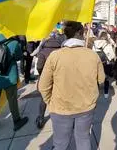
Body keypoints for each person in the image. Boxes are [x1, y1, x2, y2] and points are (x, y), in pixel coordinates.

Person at [38, 21, 105, 150]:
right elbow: (101, 80)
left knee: (60, 143)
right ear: (81, 33)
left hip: (61, 108)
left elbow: (43, 85)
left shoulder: (55, 56)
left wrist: (50, 103)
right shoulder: (92, 55)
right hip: (85, 106)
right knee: (83, 139)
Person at [0, 29, 28, 134]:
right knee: (12, 99)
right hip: (9, 76)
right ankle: (16, 121)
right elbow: (18, 57)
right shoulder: (13, 42)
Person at [32, 31, 63, 129]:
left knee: (43, 98)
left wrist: (43, 74)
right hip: (59, 77)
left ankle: (41, 118)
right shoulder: (61, 50)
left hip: (46, 78)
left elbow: (39, 67)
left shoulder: (43, 51)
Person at [93, 31, 116, 99]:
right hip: (105, 63)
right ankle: (106, 93)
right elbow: (112, 55)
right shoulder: (107, 44)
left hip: (96, 63)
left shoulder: (94, 43)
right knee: (106, 79)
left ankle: (96, 93)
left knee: (96, 78)